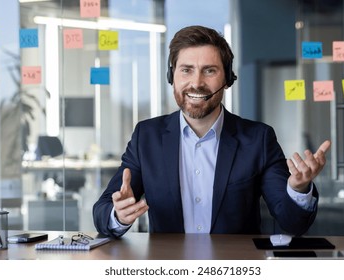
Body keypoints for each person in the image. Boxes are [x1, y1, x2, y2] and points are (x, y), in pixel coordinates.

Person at [93, 25, 331, 238]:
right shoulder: (147, 136)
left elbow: (293, 223)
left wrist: (299, 189)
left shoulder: (258, 139)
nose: (196, 83)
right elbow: (103, 210)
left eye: (209, 71)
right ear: (171, 76)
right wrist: (118, 215)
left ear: (227, 78)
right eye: (186, 70)